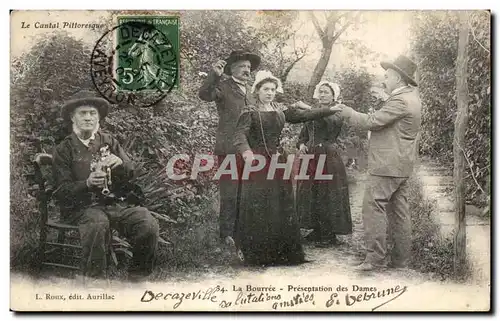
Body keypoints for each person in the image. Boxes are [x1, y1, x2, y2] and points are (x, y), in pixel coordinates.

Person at [233, 71, 341, 266]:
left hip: (277, 160)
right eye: (265, 89)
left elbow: (306, 115)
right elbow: (239, 135)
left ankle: (280, 251)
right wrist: (246, 152)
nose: (270, 93)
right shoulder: (249, 111)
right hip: (256, 162)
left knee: (279, 204)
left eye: (273, 89)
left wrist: (331, 110)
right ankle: (257, 253)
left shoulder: (280, 110)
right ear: (257, 91)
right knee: (258, 203)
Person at [52, 90, 159, 281]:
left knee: (146, 222)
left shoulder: (108, 141)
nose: (88, 118)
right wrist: (87, 183)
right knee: (97, 222)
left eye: (92, 113)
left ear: (99, 117)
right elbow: (61, 191)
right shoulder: (64, 149)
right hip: (80, 208)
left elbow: (131, 171)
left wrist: (120, 163)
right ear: (72, 117)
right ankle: (95, 282)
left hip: (113, 204)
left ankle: (138, 278)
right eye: (82, 113)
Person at [332, 55, 422, 271]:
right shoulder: (411, 97)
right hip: (401, 164)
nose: (384, 80)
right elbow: (391, 122)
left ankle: (375, 259)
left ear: (398, 79)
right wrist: (384, 101)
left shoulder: (400, 100)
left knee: (373, 207)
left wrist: (349, 113)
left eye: (387, 76)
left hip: (386, 165)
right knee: (399, 212)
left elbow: (372, 122)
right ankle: (401, 260)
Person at [198, 50, 261, 248]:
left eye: (249, 68)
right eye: (242, 66)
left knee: (247, 191)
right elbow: (205, 94)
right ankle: (226, 235)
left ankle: (242, 231)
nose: (246, 70)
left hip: (249, 149)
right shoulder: (223, 87)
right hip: (228, 148)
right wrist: (214, 75)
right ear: (232, 69)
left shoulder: (252, 91)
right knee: (230, 192)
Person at [296, 81, 353, 247]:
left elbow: (329, 124)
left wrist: (307, 109)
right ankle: (317, 229)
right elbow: (303, 134)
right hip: (311, 157)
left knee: (327, 192)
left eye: (326, 92)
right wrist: (301, 145)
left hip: (327, 155)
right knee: (310, 191)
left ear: (333, 95)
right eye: (320, 92)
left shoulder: (337, 111)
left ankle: (329, 233)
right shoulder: (315, 112)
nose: (322, 95)